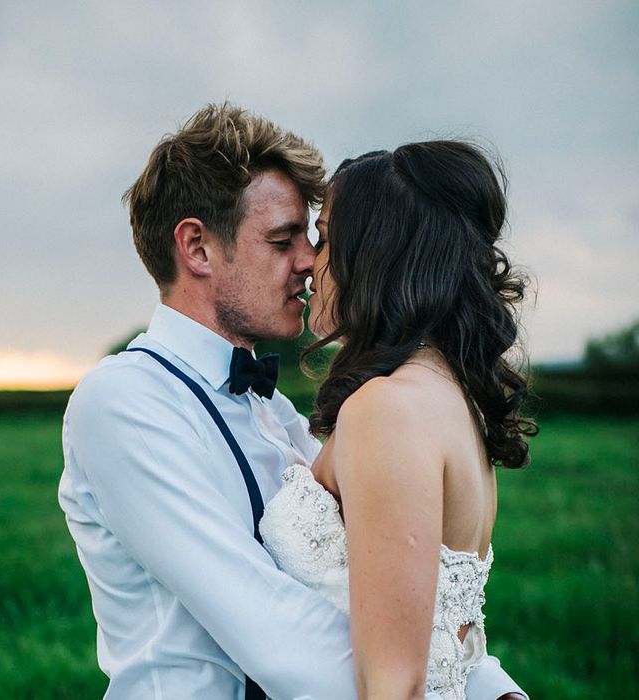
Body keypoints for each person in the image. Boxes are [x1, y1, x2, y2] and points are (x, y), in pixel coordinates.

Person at [58, 103, 528, 699]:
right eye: (284, 240)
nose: (309, 261)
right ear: (197, 248)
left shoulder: (278, 413)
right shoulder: (123, 402)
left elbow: (400, 594)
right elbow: (277, 630)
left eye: (312, 238)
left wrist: (499, 692)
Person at [260, 143, 537, 699]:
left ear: (378, 251)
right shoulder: (451, 399)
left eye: (328, 237)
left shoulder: (386, 410)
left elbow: (397, 685)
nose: (314, 261)